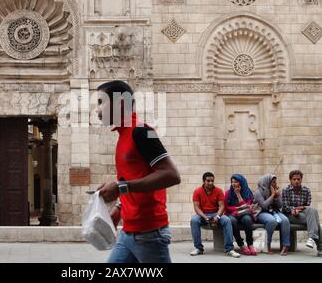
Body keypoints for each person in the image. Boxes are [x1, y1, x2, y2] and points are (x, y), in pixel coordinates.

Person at [95, 80, 181, 263]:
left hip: (149, 234)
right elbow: (137, 177)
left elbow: (171, 175)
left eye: (101, 102)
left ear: (120, 103)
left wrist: (120, 187)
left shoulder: (143, 131)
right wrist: (119, 207)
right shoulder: (123, 135)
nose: (98, 110)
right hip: (128, 232)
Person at [282, 170, 322, 259]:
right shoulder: (285, 190)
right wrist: (294, 209)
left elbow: (307, 205)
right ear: (290, 180)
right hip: (290, 215)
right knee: (315, 219)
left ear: (301, 179)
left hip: (303, 213)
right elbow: (285, 207)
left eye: (298, 179)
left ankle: (312, 239)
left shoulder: (306, 190)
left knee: (312, 211)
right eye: (294, 179)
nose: (296, 181)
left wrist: (297, 208)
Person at [190, 172, 240, 258]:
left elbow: (222, 206)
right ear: (203, 181)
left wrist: (217, 216)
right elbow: (196, 208)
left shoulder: (218, 191)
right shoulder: (197, 191)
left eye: (212, 181)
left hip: (215, 213)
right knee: (194, 220)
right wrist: (205, 217)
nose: (210, 183)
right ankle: (198, 248)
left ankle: (229, 249)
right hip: (202, 214)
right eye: (208, 181)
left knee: (227, 220)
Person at [254, 174, 290, 255]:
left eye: (275, 182)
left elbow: (280, 205)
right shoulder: (258, 192)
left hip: (274, 211)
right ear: (267, 182)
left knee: (285, 220)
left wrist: (277, 196)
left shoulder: (274, 191)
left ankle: (286, 246)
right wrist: (272, 195)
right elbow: (263, 205)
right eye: (273, 182)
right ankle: (267, 245)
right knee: (272, 221)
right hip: (261, 212)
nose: (275, 184)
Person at [225, 173, 257, 256]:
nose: (233, 184)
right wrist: (238, 209)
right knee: (232, 221)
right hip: (233, 214)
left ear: (241, 182)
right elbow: (227, 207)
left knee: (247, 219)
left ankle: (250, 244)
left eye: (236, 182)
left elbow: (247, 207)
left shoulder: (247, 192)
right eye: (232, 182)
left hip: (244, 214)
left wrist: (238, 195)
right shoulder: (228, 193)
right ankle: (241, 244)